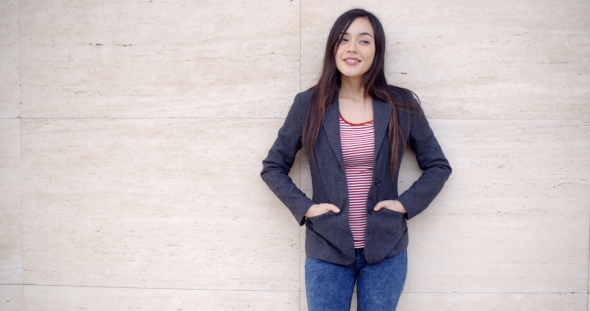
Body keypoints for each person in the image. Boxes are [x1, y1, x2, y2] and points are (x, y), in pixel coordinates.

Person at [261, 8, 451, 311]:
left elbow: (438, 166)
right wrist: (307, 207)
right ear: (332, 49)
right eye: (343, 39)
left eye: (364, 41)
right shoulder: (307, 105)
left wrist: (403, 205)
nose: (352, 49)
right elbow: (273, 167)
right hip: (327, 246)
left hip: (386, 247)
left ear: (377, 50)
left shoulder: (401, 105)